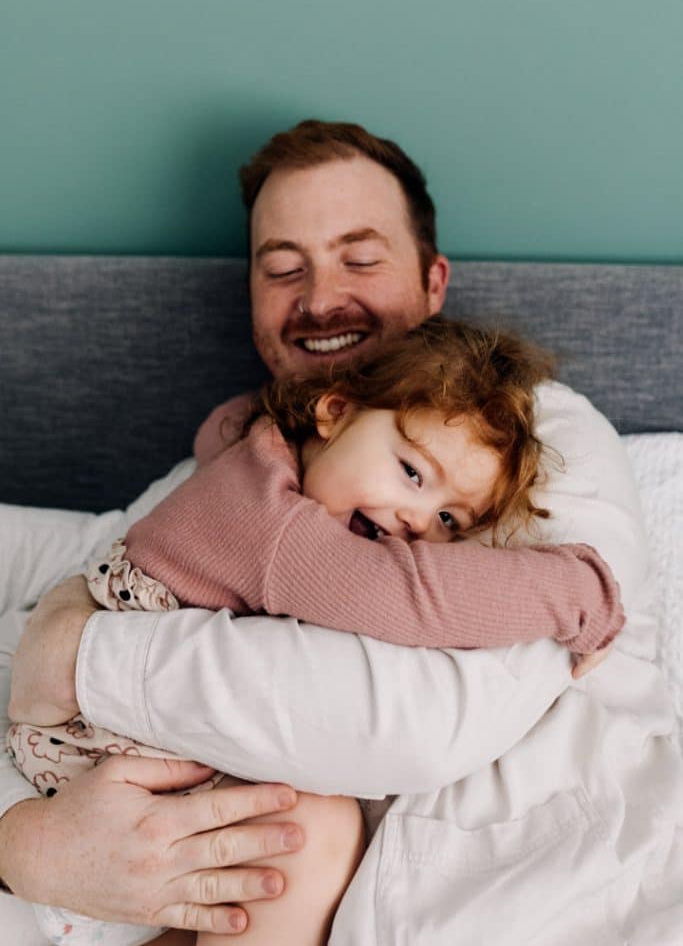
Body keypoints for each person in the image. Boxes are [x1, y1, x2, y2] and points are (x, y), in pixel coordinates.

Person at [3, 120, 682, 943]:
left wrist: (75, 653)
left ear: (433, 283)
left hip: (498, 898)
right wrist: (22, 843)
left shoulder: (526, 439)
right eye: (284, 268)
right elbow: (96, 549)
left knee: (301, 828)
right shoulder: (261, 480)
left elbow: (412, 723)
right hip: (123, 787)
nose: (320, 298)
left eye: (360, 259)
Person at [9, 316, 625, 946]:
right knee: (307, 834)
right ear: (334, 412)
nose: (415, 522)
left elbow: (216, 427)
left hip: (106, 746)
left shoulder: (258, 453)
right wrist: (579, 594)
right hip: (89, 758)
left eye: (448, 517)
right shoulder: (278, 528)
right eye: (412, 471)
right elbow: (406, 595)